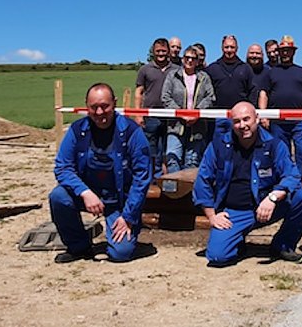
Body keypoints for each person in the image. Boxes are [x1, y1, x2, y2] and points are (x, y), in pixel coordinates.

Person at [192, 102, 302, 267]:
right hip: (234, 212)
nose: (242, 125)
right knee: (217, 257)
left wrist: (273, 197)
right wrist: (212, 216)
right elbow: (202, 180)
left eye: (246, 119)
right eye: (237, 121)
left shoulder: (274, 145)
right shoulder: (218, 146)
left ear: (257, 118)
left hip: (267, 206)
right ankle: (237, 241)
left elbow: (292, 175)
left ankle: (283, 245)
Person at [49, 83, 152, 263]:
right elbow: (62, 167)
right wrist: (85, 192)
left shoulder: (131, 132)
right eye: (93, 107)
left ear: (114, 103)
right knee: (58, 196)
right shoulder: (77, 130)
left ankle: (122, 230)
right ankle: (79, 246)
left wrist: (128, 216)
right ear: (86, 106)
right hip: (89, 196)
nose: (99, 113)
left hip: (119, 201)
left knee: (121, 253)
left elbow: (142, 177)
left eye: (104, 106)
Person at [258, 36, 302, 173]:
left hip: (300, 122)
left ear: (293, 52)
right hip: (278, 122)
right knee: (281, 152)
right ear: (279, 52)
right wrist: (263, 115)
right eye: (283, 50)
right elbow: (264, 94)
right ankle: (284, 178)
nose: (285, 53)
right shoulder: (270, 72)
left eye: (288, 50)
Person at [161, 46, 215, 174]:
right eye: (187, 57)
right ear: (182, 59)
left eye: (193, 58)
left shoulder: (204, 78)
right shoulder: (172, 76)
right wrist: (181, 114)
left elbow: (210, 97)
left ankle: (189, 192)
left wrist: (196, 113)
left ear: (197, 61)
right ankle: (175, 190)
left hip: (197, 127)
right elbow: (165, 97)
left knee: (192, 161)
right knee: (172, 158)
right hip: (176, 126)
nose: (189, 60)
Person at [135, 37, 178, 176]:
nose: (161, 54)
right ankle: (151, 177)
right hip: (151, 115)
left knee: (167, 149)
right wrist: (138, 113)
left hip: (171, 116)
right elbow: (139, 92)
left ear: (168, 52)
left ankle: (165, 178)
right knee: (151, 149)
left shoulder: (177, 69)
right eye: (158, 51)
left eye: (163, 51)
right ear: (153, 51)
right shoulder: (145, 69)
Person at [206, 35, 255, 136]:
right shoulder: (212, 68)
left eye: (232, 47)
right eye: (226, 47)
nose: (229, 50)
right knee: (218, 147)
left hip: (239, 118)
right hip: (217, 117)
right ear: (222, 48)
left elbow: (252, 91)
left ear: (237, 48)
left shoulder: (246, 68)